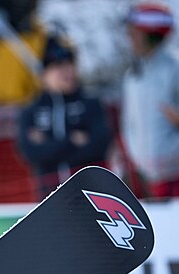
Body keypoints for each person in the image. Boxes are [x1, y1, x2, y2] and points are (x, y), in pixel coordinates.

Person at [120, 2, 179, 198]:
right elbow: (129, 124)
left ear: (151, 33)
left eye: (134, 31)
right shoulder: (133, 76)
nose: (130, 37)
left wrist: (170, 155)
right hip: (149, 177)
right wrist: (138, 159)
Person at [17, 35, 112, 200]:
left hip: (91, 197)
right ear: (44, 74)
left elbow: (98, 147)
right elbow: (31, 153)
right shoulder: (31, 111)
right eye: (58, 66)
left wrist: (48, 144)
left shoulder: (91, 104)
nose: (67, 71)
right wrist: (72, 141)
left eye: (70, 64)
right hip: (49, 200)